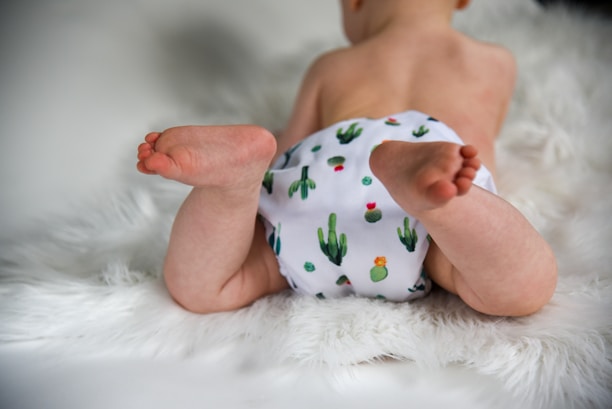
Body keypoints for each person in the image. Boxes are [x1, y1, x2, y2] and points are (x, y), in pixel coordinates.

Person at [136, 0, 557, 316]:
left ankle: (234, 184)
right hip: (420, 209)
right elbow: (489, 141)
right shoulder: (492, 62)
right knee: (525, 288)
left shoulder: (331, 65)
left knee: (204, 288)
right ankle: (439, 202)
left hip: (323, 182)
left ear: (353, 4)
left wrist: (266, 170)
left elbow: (291, 151)